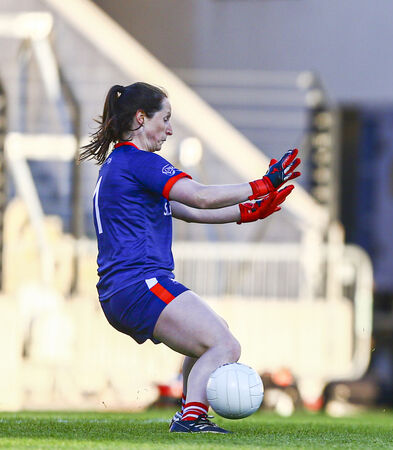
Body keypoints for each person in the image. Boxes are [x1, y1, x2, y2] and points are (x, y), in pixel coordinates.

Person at [80, 82, 301, 434]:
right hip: (140, 284)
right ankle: (191, 418)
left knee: (213, 337)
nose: (169, 130)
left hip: (126, 288)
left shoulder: (119, 164)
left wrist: (248, 211)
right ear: (141, 118)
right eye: (165, 119)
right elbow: (199, 196)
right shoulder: (139, 162)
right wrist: (261, 185)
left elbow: (190, 211)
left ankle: (190, 413)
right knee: (224, 345)